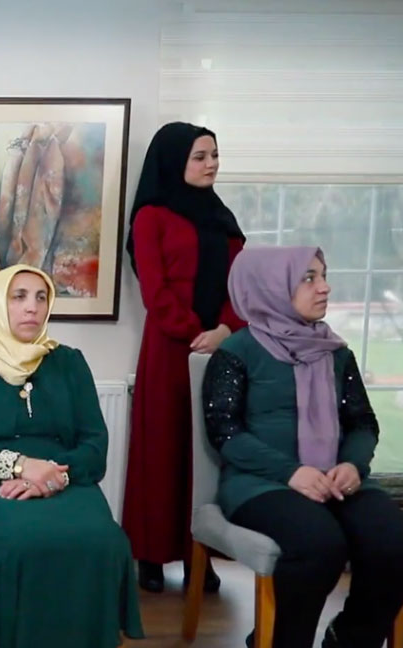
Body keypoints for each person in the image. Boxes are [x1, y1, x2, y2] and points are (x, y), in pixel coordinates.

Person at [204, 246, 403, 648]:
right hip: (261, 484)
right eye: (309, 278)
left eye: (324, 276)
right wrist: (291, 472)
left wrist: (353, 465)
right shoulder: (236, 352)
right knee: (319, 545)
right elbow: (225, 431)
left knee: (393, 542)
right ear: (272, 287)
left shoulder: (336, 352)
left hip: (336, 478)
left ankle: (349, 638)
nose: (324, 287)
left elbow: (362, 422)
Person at [0, 264, 143, 648]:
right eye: (18, 297)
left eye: (41, 297)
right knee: (22, 542)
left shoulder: (70, 362)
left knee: (105, 541)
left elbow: (95, 447)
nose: (32, 307)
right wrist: (19, 466)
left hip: (64, 480)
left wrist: (52, 477)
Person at [122, 121, 247, 593]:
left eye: (214, 155)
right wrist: (197, 334)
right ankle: (151, 555)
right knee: (162, 449)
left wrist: (224, 330)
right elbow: (155, 291)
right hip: (170, 349)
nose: (211, 164)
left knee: (208, 456)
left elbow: (241, 286)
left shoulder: (222, 218)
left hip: (221, 351)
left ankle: (201, 556)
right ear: (175, 161)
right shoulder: (151, 216)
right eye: (200, 156)